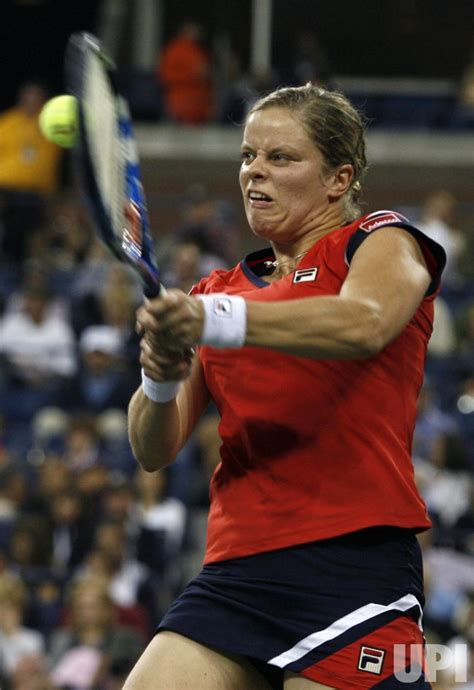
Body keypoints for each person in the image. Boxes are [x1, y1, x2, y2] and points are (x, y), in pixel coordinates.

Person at [125, 84, 447, 689]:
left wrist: (212, 323)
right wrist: (159, 378)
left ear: (338, 178)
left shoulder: (380, 239)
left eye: (281, 158)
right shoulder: (215, 289)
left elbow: (366, 322)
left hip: (351, 565)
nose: (255, 172)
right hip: (236, 571)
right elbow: (152, 449)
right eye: (248, 156)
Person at [157, 21, 214, 125]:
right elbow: (165, 76)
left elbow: (206, 76)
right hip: (179, 103)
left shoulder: (198, 51)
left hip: (199, 105)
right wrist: (192, 75)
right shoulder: (174, 50)